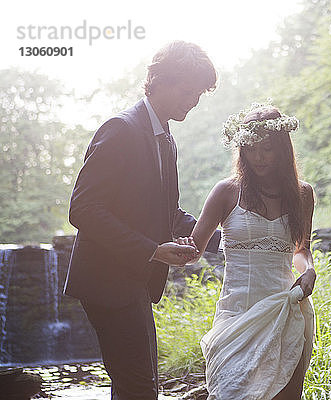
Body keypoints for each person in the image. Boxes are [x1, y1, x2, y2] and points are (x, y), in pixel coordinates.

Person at [63, 41, 221, 400]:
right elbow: (83, 209)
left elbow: (170, 214)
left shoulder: (166, 137)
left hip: (131, 281)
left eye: (199, 93)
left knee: (138, 388)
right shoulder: (120, 129)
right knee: (139, 389)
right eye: (187, 90)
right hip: (108, 283)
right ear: (159, 81)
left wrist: (226, 238)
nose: (194, 100)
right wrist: (153, 251)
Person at [176, 103, 316, 399]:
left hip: (284, 311)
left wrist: (309, 270)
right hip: (235, 315)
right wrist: (169, 247)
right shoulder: (226, 192)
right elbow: (195, 250)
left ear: (282, 149)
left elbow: (302, 250)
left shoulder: (302, 194)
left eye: (266, 149)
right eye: (251, 149)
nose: (258, 157)